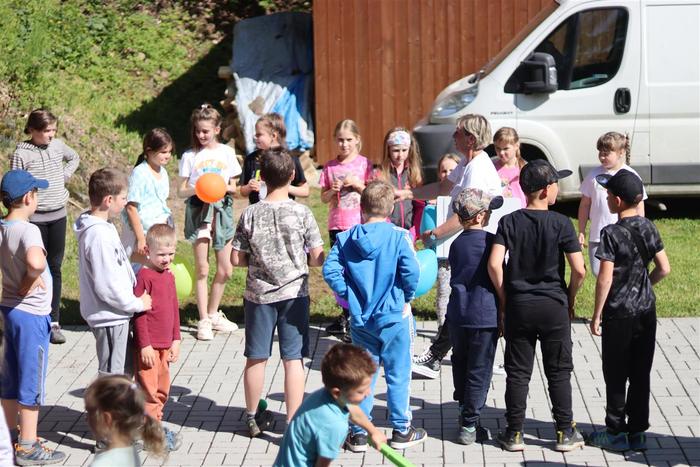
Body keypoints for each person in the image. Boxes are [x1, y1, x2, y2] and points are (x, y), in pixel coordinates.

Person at [487, 159, 586, 452]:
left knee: (518, 372)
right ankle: (565, 432)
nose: (558, 189)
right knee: (558, 371)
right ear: (545, 190)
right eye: (555, 184)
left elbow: (494, 264)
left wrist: (505, 298)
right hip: (554, 306)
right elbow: (579, 270)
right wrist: (570, 298)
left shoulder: (509, 222)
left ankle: (514, 433)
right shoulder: (561, 223)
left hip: (519, 306)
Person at [323, 180, 427, 451]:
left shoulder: (347, 238)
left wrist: (349, 295)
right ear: (391, 208)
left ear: (362, 207)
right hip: (395, 318)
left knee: (362, 376)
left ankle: (358, 433)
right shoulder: (399, 236)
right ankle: (401, 430)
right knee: (399, 374)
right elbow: (412, 271)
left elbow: (329, 270)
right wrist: (406, 296)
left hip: (361, 320)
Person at [231, 148, 324, 436]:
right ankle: (293, 421)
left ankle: (251, 417)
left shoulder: (250, 213)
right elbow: (317, 257)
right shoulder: (302, 213)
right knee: (293, 359)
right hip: (295, 294)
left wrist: (254, 262)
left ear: (262, 178)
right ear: (293, 175)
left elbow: (236, 258)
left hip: (258, 295)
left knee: (256, 356)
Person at [587, 169, 670, 452]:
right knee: (640, 372)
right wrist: (645, 284)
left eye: (608, 194)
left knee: (615, 372)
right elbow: (664, 268)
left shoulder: (610, 233)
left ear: (618, 201)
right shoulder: (649, 227)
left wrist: (597, 314)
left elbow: (604, 278)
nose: (606, 198)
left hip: (618, 312)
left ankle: (615, 431)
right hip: (646, 310)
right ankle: (638, 432)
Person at [413, 114, 501, 379]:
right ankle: (441, 356)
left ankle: (444, 356)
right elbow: (443, 187)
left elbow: (466, 213)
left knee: (464, 298)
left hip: (479, 243)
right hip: (469, 242)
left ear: (470, 139)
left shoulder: (478, 169)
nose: (453, 136)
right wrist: (407, 195)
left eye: (458, 132)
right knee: (462, 298)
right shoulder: (467, 162)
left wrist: (434, 234)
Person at [0, 169, 65, 465]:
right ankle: (27, 445)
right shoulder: (28, 230)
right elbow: (37, 263)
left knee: (9, 379)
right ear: (28, 197)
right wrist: (28, 281)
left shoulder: (3, 227)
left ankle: (8, 438)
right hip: (31, 316)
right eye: (36, 193)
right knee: (31, 379)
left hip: (7, 312)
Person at [10, 109, 80, 345]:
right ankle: (34, 316)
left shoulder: (57, 146)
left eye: (54, 130)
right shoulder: (22, 153)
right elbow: (16, 183)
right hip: (35, 220)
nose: (51, 135)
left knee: (55, 267)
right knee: (36, 267)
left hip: (58, 215)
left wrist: (64, 175)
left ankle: (54, 321)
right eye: (47, 131)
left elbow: (74, 157)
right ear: (32, 130)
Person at [74, 168, 152, 378]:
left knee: (124, 371)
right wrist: (136, 304)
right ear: (109, 200)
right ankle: (106, 402)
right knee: (113, 376)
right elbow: (106, 285)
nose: (126, 203)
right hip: (109, 317)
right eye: (124, 198)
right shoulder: (98, 236)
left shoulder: (104, 227)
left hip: (117, 314)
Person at [178, 104, 242, 341]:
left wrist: (223, 187)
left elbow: (234, 186)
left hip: (222, 212)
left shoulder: (227, 153)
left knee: (226, 269)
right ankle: (203, 319)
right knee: (203, 268)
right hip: (199, 212)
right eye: (197, 131)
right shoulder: (189, 156)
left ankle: (214, 313)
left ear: (217, 129)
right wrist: (199, 188)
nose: (201, 135)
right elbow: (181, 190)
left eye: (205, 131)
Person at [447, 188, 503, 445]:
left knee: (461, 361)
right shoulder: (492, 242)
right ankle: (470, 424)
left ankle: (463, 408)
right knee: (480, 369)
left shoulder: (456, 244)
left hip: (458, 314)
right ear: (480, 216)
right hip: (484, 315)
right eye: (488, 210)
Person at [273, 343, 387, 466]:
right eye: (361, 391)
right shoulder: (335, 425)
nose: (368, 393)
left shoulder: (325, 395)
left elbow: (353, 410)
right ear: (337, 392)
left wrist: (373, 431)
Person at [319, 119, 373, 343]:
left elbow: (373, 194)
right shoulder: (330, 166)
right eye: (340, 140)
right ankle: (346, 314)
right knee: (340, 271)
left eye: (349, 139)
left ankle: (357, 317)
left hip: (359, 224)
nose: (344, 144)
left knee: (357, 271)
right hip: (337, 225)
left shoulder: (365, 164)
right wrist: (331, 191)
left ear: (357, 140)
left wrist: (357, 184)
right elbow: (323, 198)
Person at [132, 223, 182, 452]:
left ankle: (154, 426)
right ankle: (151, 435)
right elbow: (140, 314)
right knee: (149, 391)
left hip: (165, 346)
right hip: (150, 348)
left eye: (171, 254)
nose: (166, 259)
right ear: (148, 251)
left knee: (162, 390)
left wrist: (176, 339)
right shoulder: (144, 276)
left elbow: (174, 308)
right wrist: (145, 345)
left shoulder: (169, 276)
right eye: (161, 254)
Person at [578, 131, 646, 276]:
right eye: (600, 153)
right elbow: (584, 205)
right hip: (598, 236)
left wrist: (639, 230)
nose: (602, 157)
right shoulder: (593, 176)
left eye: (606, 153)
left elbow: (639, 205)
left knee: (621, 273)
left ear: (621, 152)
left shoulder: (631, 176)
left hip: (624, 236)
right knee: (599, 272)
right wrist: (582, 231)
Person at [85, 375, 166, 467]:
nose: (86, 418)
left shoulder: (102, 464)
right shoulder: (130, 451)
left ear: (107, 419)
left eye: (89, 412)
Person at [122, 128, 175, 268]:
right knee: (138, 270)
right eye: (163, 152)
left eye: (169, 152)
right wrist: (140, 239)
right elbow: (131, 208)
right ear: (149, 151)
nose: (168, 156)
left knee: (156, 268)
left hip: (157, 231)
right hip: (141, 231)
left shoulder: (163, 172)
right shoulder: (140, 173)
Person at [239, 113, 309, 204]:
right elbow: (242, 192)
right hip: (259, 210)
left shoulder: (289, 159)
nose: (255, 137)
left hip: (284, 210)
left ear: (273, 136)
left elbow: (305, 191)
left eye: (259, 134)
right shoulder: (251, 159)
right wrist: (249, 186)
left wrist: (284, 187)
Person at [378, 127, 424, 236]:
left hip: (409, 231)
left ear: (409, 149)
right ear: (388, 149)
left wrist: (415, 229)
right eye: (396, 150)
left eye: (404, 150)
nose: (400, 155)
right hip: (388, 231)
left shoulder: (413, 174)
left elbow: (419, 206)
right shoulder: (381, 175)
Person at [493, 127, 527, 208]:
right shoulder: (492, 167)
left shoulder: (524, 168)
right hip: (500, 211)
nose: (501, 152)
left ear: (516, 146)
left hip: (521, 211)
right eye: (498, 148)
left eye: (506, 148)